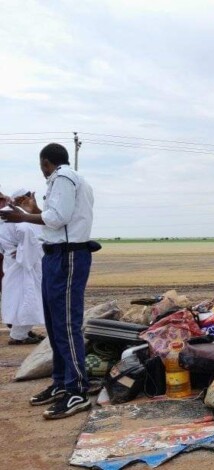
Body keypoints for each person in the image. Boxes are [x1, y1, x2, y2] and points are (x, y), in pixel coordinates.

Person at [0, 143, 95, 419]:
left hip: (68, 256)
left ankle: (77, 390)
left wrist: (22, 216)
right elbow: (58, 220)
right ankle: (62, 383)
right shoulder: (63, 179)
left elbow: (57, 218)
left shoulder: (63, 177)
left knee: (66, 324)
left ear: (45, 163)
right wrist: (34, 210)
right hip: (56, 255)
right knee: (55, 325)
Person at [0, 190, 46, 345]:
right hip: (24, 263)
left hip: (17, 261)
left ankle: (21, 333)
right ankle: (19, 335)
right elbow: (27, 235)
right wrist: (21, 252)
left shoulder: (11, 213)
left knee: (20, 298)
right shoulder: (17, 214)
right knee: (27, 299)